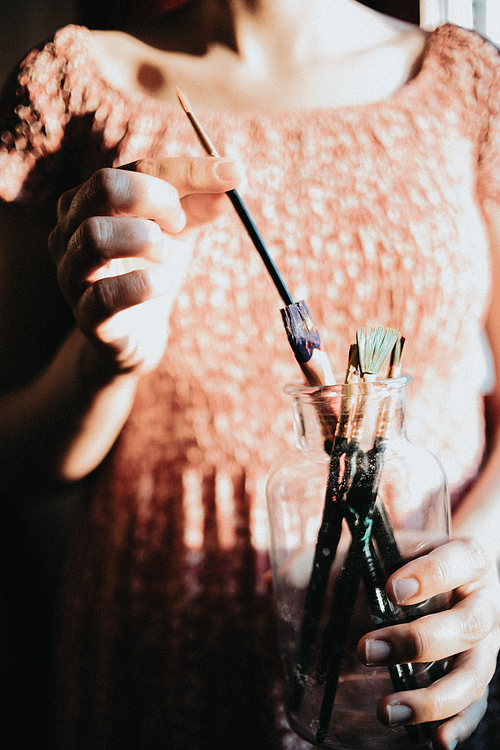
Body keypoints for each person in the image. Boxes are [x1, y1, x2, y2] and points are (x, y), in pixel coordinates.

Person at [0, 0, 499, 748]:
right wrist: (106, 360)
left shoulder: (467, 82)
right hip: (160, 659)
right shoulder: (73, 86)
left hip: (420, 648)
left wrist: (475, 572)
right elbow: (19, 463)